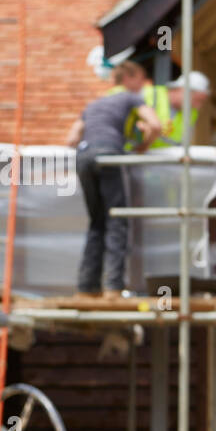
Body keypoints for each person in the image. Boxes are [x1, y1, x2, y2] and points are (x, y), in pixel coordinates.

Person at [64, 60, 162, 295]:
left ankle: (87, 287)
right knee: (117, 219)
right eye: (140, 79)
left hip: (84, 156)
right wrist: (143, 146)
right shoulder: (131, 98)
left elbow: (71, 139)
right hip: (108, 155)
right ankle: (113, 287)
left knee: (97, 221)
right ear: (128, 78)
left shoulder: (95, 104)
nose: (142, 85)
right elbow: (155, 125)